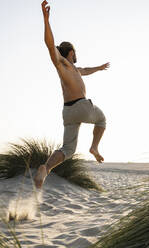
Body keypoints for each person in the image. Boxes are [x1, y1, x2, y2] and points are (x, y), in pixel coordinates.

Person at [34, 0, 109, 188]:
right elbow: (50, 45)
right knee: (102, 119)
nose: (76, 56)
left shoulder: (74, 69)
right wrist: (46, 20)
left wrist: (99, 68)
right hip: (81, 106)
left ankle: (46, 168)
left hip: (68, 112)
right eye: (75, 52)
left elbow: (86, 69)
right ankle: (94, 147)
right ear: (71, 52)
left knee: (68, 149)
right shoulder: (61, 63)